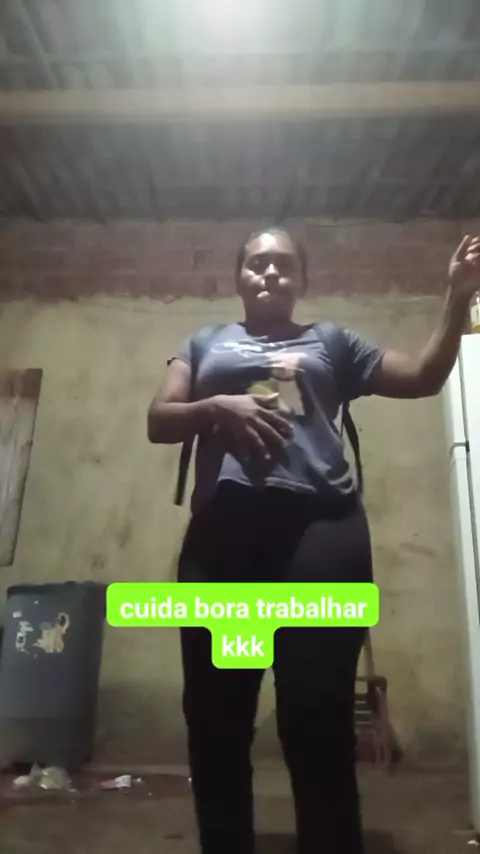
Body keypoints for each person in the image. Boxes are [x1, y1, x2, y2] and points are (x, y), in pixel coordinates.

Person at [148, 228, 480, 854]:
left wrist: (457, 298)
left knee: (316, 719)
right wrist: (218, 407)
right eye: (256, 264)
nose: (270, 273)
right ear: (238, 277)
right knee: (218, 720)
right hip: (224, 545)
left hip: (320, 536)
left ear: (302, 278)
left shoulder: (332, 342)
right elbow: (159, 420)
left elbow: (423, 376)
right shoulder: (203, 343)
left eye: (283, 264)